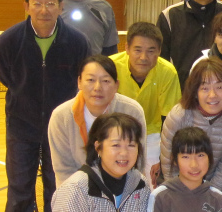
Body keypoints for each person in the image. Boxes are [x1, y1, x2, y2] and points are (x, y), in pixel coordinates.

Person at [0, 0, 88, 212]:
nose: (44, 9)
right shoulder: (8, 41)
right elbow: (3, 73)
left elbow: (80, 80)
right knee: (19, 187)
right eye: (37, 2)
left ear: (61, 6)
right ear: (26, 5)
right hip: (21, 126)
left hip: (60, 129)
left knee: (57, 188)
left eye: (50, 2)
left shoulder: (76, 42)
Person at [48, 55, 147, 186]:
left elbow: (137, 162)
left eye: (105, 81)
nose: (97, 87)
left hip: (122, 186)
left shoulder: (131, 111)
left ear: (116, 85)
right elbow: (64, 170)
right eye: (90, 80)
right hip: (77, 189)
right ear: (79, 82)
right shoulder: (61, 117)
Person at [159, 57, 222, 192]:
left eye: (219, 87)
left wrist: (209, 196)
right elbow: (168, 162)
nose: (212, 95)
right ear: (195, 92)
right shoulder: (179, 115)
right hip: (178, 185)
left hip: (215, 189)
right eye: (205, 88)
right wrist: (179, 193)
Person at [109, 22, 181, 182]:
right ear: (127, 48)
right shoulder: (110, 67)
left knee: (152, 181)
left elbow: (170, 119)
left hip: (152, 132)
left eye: (151, 51)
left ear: (159, 51)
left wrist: (164, 158)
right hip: (115, 130)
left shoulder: (167, 72)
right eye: (137, 50)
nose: (143, 57)